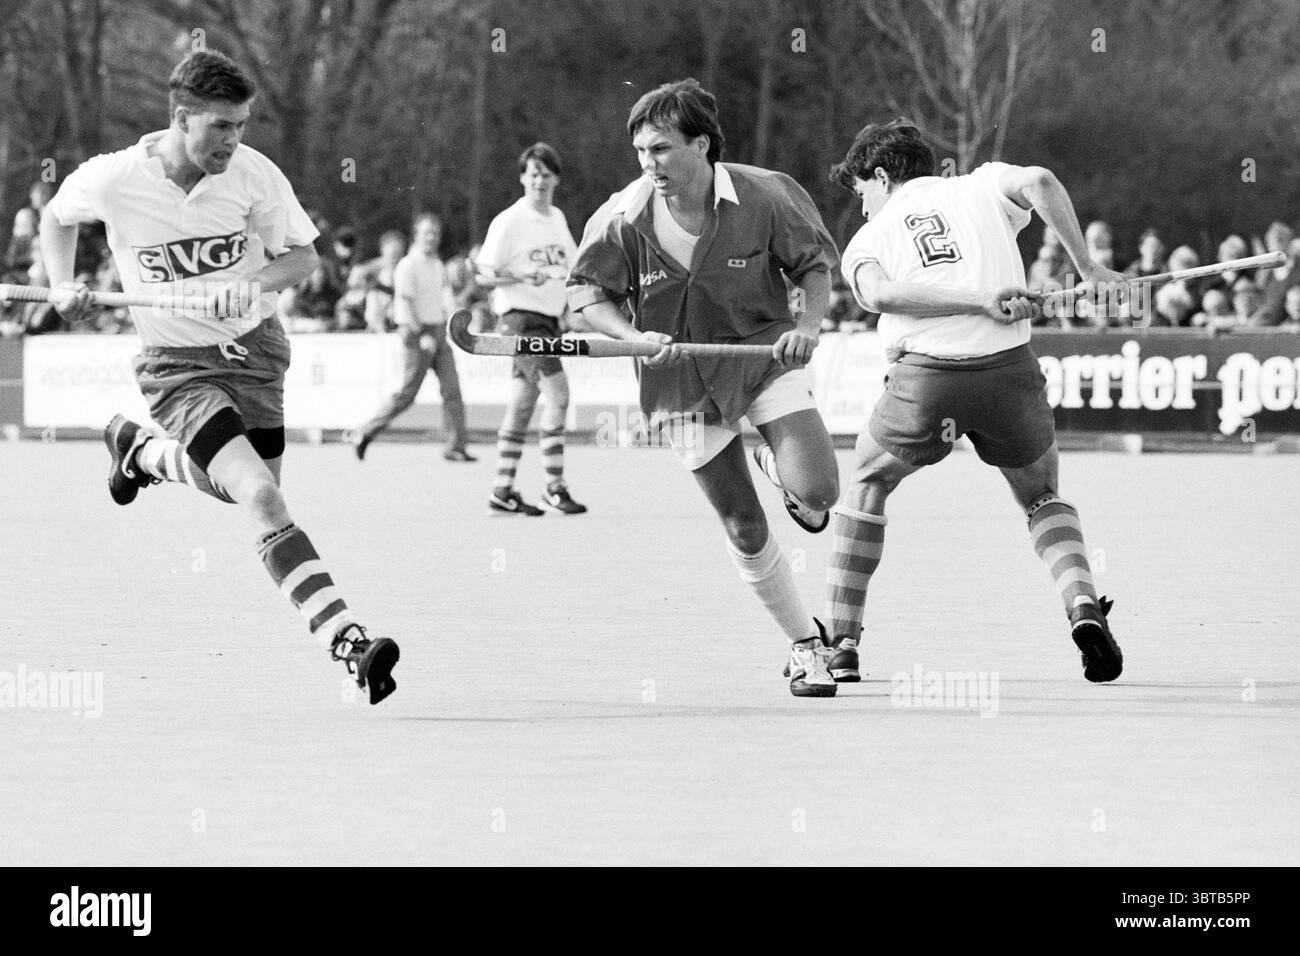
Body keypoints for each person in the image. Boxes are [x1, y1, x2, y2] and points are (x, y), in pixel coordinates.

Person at [39, 49, 399, 704]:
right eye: (220, 127)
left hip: (256, 352)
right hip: (178, 368)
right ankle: (347, 638)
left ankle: (143, 453)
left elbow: (303, 257)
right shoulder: (115, 179)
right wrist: (62, 286)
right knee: (262, 496)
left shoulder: (254, 176)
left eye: (241, 125)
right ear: (181, 119)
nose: (233, 141)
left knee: (244, 491)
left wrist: (253, 284)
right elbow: (56, 218)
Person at [823, 118, 1124, 688]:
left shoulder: (871, 235)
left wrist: (973, 301)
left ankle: (841, 642)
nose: (861, 205)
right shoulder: (981, 184)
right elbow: (1041, 180)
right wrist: (1086, 268)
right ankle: (1083, 605)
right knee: (1041, 496)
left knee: (866, 481)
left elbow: (880, 295)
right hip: (1010, 372)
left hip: (928, 380)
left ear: (882, 177)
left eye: (861, 190)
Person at [566, 79, 841, 696]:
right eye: (640, 151)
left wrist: (808, 325)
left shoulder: (764, 195)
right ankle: (805, 646)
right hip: (679, 382)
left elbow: (813, 266)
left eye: (661, 149)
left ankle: (775, 461)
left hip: (762, 357)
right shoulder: (621, 215)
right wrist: (630, 335)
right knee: (743, 524)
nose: (648, 164)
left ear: (701, 144)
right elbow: (588, 295)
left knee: (820, 491)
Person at [475, 142, 586, 515]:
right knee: (559, 396)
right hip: (521, 321)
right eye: (533, 173)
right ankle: (554, 487)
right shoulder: (510, 220)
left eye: (546, 173)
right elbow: (484, 274)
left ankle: (501, 490)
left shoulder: (556, 219)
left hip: (549, 323)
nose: (539, 180)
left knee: (523, 405)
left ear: (555, 178)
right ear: (523, 177)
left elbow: (575, 269)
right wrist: (520, 274)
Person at [352, 213, 473, 461]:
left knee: (452, 391)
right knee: (407, 395)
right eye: (427, 232)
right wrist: (421, 335)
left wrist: (455, 316)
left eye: (436, 233)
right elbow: (404, 303)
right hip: (416, 332)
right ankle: (364, 431)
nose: (432, 237)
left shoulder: (437, 264)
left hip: (438, 330)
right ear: (416, 234)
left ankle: (455, 446)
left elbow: (444, 297)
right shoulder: (409, 265)